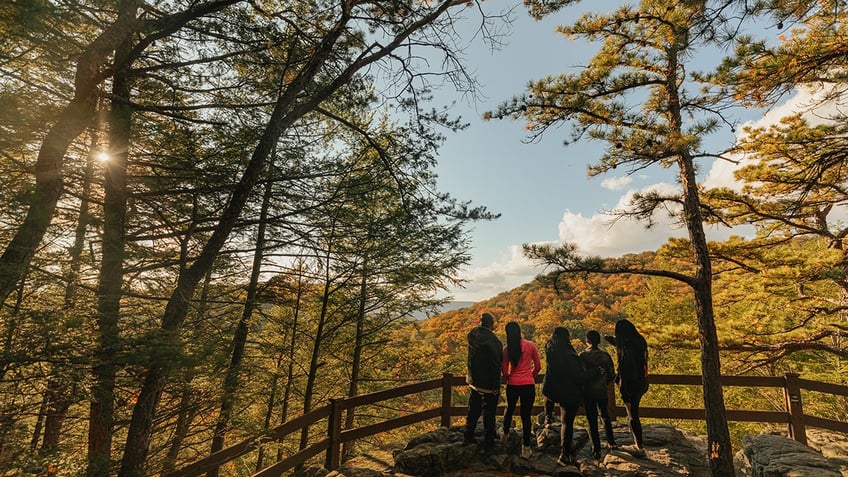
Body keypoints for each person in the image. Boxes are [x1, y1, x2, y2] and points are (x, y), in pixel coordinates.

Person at [542, 327, 586, 467]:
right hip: (568, 392)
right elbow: (577, 376)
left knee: (549, 399)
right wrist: (593, 373)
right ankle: (564, 454)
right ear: (566, 337)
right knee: (567, 423)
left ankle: (548, 418)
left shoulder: (549, 347)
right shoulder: (569, 354)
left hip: (551, 386)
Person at [463, 312, 503, 452]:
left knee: (473, 409)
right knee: (489, 412)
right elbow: (495, 365)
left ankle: (468, 435)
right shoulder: (494, 342)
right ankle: (489, 441)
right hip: (488, 384)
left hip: (474, 380)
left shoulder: (473, 336)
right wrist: (495, 385)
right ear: (491, 324)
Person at [501, 321, 541, 459]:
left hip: (513, 384)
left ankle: (505, 435)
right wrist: (530, 375)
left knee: (509, 409)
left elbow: (504, 370)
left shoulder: (507, 349)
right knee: (526, 415)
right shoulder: (531, 345)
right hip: (528, 385)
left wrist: (510, 377)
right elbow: (538, 366)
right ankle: (526, 448)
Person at [609, 318, 649, 454]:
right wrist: (613, 341)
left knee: (632, 415)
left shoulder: (625, 352)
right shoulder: (640, 342)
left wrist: (623, 391)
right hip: (642, 382)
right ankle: (638, 443)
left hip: (629, 386)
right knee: (634, 413)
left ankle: (639, 446)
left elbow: (625, 371)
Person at [579, 330, 618, 460]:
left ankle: (596, 449)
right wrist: (604, 381)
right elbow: (612, 375)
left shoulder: (583, 356)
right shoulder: (605, 356)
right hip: (602, 390)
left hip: (588, 392)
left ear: (587, 340)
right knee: (605, 415)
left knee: (591, 419)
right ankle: (611, 442)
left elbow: (581, 375)